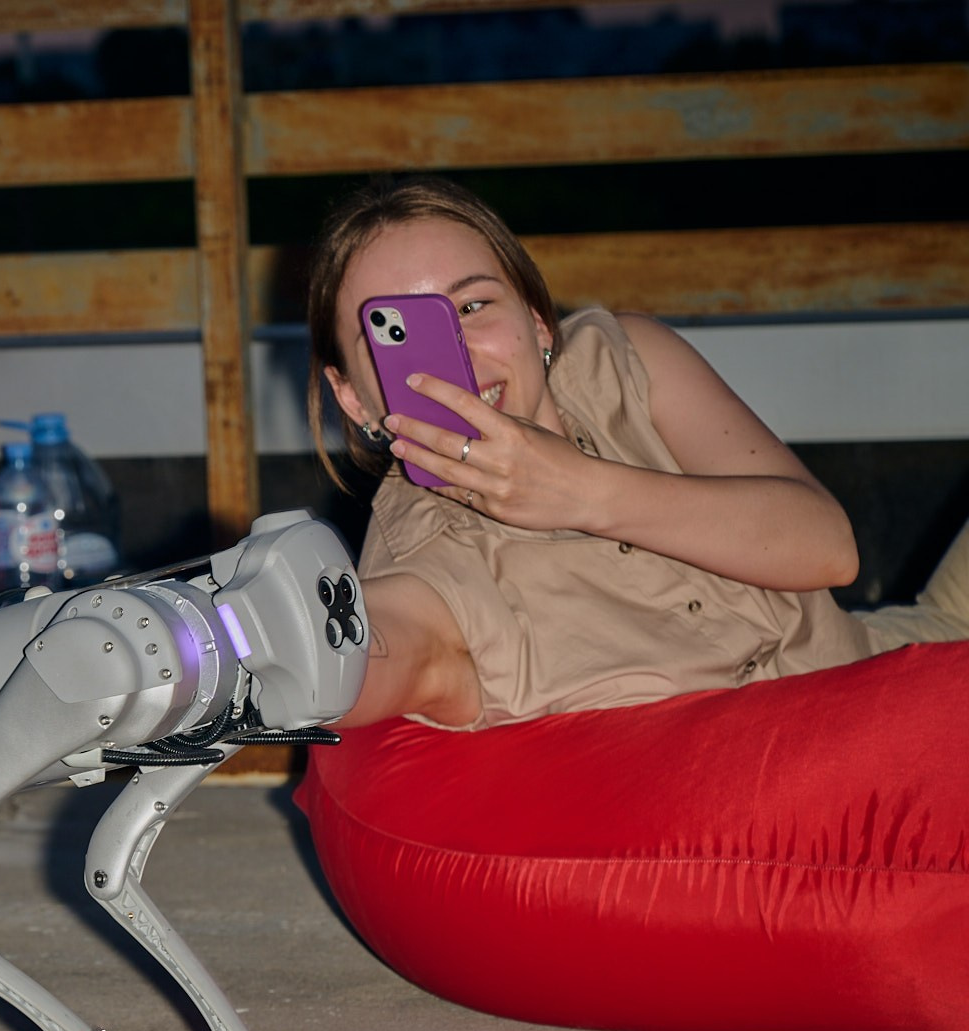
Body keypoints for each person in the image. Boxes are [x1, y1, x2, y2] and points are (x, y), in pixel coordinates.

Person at [305, 174, 969, 732]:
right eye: (396, 335)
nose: (456, 357)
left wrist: (582, 490)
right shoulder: (424, 552)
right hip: (845, 784)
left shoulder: (622, 359)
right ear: (353, 398)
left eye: (475, 304)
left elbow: (829, 547)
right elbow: (379, 650)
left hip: (910, 655)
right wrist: (247, 656)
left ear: (536, 320)